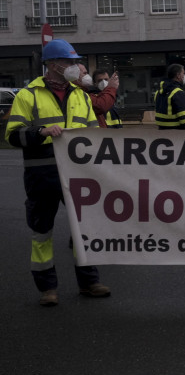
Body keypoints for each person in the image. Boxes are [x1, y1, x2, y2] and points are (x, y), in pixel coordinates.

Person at [4, 39, 109, 306]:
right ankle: (47, 288)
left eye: (75, 62)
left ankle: (89, 282)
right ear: (52, 65)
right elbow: (12, 136)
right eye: (68, 62)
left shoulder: (81, 96)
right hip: (42, 176)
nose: (74, 67)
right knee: (42, 232)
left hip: (78, 175)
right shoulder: (28, 95)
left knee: (83, 230)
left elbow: (93, 136)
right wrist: (41, 133)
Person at [154, 64, 185, 129]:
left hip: (161, 131)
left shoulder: (158, 92)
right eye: (183, 73)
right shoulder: (178, 93)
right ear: (178, 75)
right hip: (176, 132)